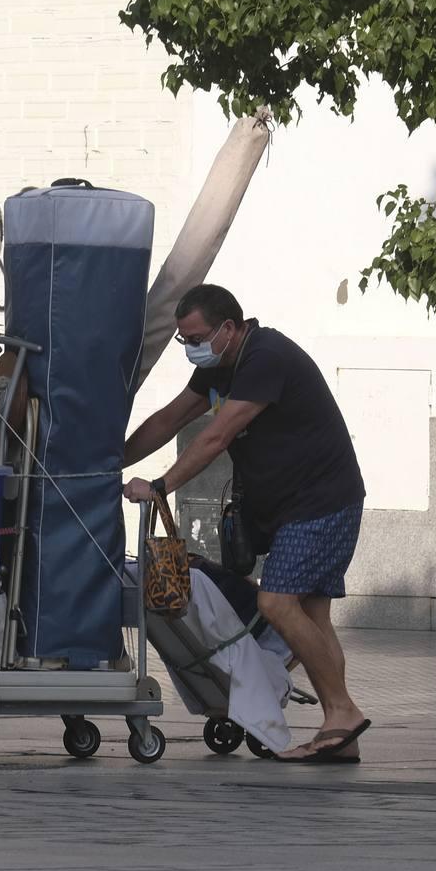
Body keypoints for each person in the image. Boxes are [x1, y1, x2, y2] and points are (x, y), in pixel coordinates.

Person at [122, 284, 370, 763]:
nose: (190, 348)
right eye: (182, 340)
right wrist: (109, 459)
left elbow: (217, 436)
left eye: (195, 337)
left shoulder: (265, 357)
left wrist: (159, 486)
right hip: (296, 508)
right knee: (315, 617)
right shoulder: (219, 365)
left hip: (321, 503)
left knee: (276, 602)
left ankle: (342, 710)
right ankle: (343, 734)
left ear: (229, 328)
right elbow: (169, 419)